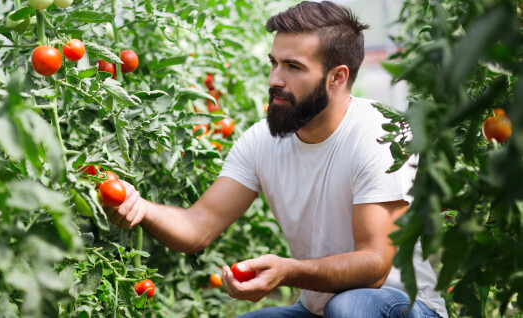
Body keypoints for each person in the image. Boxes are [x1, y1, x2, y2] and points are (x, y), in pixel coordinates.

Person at [104, 1, 447, 317]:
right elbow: (198, 226)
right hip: (320, 309)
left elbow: (374, 267)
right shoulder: (261, 140)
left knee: (349, 307)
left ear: (337, 77)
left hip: (401, 304)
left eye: (293, 67)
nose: (274, 80)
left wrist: (288, 271)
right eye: (274, 63)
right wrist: (142, 208)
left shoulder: (379, 133)